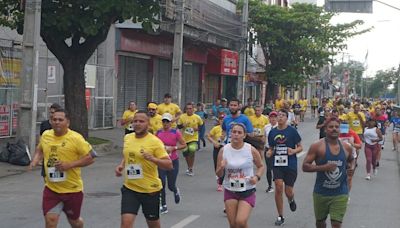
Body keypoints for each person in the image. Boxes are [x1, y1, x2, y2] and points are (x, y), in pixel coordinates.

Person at [29, 109, 96, 228]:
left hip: (72, 190)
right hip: (52, 189)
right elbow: (40, 149)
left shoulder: (76, 138)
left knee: (74, 222)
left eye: (60, 120)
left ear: (68, 122)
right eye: (54, 120)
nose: (57, 122)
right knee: (51, 220)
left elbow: (91, 157)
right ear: (51, 121)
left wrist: (69, 165)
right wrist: (35, 160)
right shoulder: (46, 135)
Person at [115, 110, 173, 228]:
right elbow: (129, 154)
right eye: (135, 121)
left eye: (141, 121)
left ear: (148, 123)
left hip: (150, 190)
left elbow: (169, 164)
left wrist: (153, 159)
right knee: (125, 223)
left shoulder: (155, 142)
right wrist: (121, 165)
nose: (137, 123)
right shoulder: (128, 138)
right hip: (130, 188)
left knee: (153, 224)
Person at [302, 117, 355, 228]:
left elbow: (351, 159)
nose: (334, 129)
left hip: (340, 192)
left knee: (336, 224)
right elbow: (305, 166)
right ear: (325, 129)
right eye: (331, 127)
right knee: (320, 223)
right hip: (321, 192)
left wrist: (351, 168)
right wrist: (324, 167)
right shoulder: (317, 146)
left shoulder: (346, 147)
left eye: (337, 127)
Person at [215, 123, 265, 228]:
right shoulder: (224, 150)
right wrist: (221, 167)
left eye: (239, 132)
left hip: (247, 190)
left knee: (241, 222)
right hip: (230, 190)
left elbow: (261, 166)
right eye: (234, 132)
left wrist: (256, 177)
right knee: (233, 225)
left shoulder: (250, 150)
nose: (236, 134)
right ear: (230, 134)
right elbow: (218, 174)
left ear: (244, 135)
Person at [266, 109, 303, 226]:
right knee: (278, 186)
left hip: (290, 164)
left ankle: (291, 199)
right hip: (277, 164)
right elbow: (271, 147)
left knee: (288, 191)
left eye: (283, 115)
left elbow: (300, 147)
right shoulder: (272, 132)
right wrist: (269, 152)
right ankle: (280, 216)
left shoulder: (292, 131)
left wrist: (294, 151)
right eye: (279, 115)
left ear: (287, 118)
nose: (280, 117)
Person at [155, 113, 187, 214]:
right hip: (162, 161)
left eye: (167, 122)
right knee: (162, 184)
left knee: (170, 185)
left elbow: (184, 144)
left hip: (173, 161)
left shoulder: (175, 132)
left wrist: (174, 148)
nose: (165, 124)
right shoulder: (158, 132)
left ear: (170, 122)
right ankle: (163, 205)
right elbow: (153, 144)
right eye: (163, 121)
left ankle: (175, 190)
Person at [177, 103, 203, 176]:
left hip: (193, 138)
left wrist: (197, 129)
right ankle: (189, 167)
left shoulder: (197, 117)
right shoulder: (182, 117)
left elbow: (201, 125)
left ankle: (191, 168)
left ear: (193, 109)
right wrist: (182, 125)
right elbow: (178, 126)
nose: (189, 110)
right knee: (185, 153)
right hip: (184, 138)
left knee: (191, 150)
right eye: (187, 108)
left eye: (190, 108)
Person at [39, 103, 62, 178]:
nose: (52, 115)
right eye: (51, 112)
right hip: (47, 154)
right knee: (46, 176)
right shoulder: (44, 124)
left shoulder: (61, 125)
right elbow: (41, 139)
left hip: (58, 154)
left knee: (57, 177)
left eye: (54, 113)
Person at [338, 121, 362, 193]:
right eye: (342, 130)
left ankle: (347, 194)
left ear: (349, 128)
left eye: (346, 130)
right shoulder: (337, 133)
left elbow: (360, 146)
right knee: (339, 177)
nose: (344, 132)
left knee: (349, 177)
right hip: (339, 158)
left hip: (351, 159)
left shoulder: (352, 133)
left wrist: (352, 144)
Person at [207, 112, 226, 191]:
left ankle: (220, 183)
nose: (222, 121)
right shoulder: (216, 128)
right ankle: (219, 177)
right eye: (221, 119)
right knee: (217, 166)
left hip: (225, 148)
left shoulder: (229, 128)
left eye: (223, 119)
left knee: (224, 165)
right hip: (217, 148)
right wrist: (214, 142)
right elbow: (208, 136)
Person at [264, 111, 278, 193]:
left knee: (276, 167)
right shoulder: (266, 127)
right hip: (267, 148)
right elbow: (264, 137)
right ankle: (269, 186)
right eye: (271, 117)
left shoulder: (279, 127)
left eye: (274, 117)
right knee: (269, 168)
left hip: (276, 149)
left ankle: (277, 181)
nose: (273, 119)